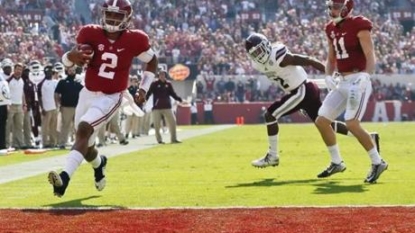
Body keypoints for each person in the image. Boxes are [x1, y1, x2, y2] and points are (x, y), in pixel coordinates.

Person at [48, 0, 158, 197]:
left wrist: (144, 87)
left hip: (112, 95)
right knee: (86, 143)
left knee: (84, 128)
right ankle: (99, 165)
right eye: (110, 14)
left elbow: (152, 60)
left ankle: (63, 180)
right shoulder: (90, 33)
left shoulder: (135, 39)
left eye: (118, 15)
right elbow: (68, 61)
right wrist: (69, 56)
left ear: (127, 18)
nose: (113, 19)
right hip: (87, 92)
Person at [244, 33, 380, 170]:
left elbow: (309, 60)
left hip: (302, 90)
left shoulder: (279, 55)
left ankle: (272, 156)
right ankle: (369, 138)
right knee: (326, 125)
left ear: (267, 45)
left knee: (270, 115)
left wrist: (330, 74)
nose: (259, 55)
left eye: (260, 50)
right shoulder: (258, 64)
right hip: (301, 91)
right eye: (255, 53)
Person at [314, 0, 387, 184]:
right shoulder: (330, 28)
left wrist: (366, 76)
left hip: (358, 81)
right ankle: (336, 162)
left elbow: (370, 54)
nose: (332, 11)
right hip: (342, 81)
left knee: (352, 123)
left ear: (347, 8)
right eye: (330, 7)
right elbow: (331, 58)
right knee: (322, 120)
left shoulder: (359, 24)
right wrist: (328, 75)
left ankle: (377, 162)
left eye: (337, 7)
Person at [146, 66, 185, 144]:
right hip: (157, 108)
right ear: (158, 76)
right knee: (157, 125)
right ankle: (159, 140)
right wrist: (144, 99)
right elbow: (149, 93)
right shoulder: (154, 84)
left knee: (173, 122)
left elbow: (173, 94)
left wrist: (180, 100)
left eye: (163, 75)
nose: (162, 76)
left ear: (165, 75)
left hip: (167, 106)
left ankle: (173, 139)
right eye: (160, 75)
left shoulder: (168, 84)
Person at [54, 66, 84, 149]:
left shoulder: (79, 82)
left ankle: (78, 142)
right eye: (70, 70)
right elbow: (57, 93)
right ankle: (62, 143)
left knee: (78, 126)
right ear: (67, 71)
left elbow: (84, 92)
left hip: (78, 107)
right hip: (66, 107)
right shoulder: (63, 81)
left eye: (73, 70)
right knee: (65, 126)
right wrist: (58, 104)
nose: (72, 72)